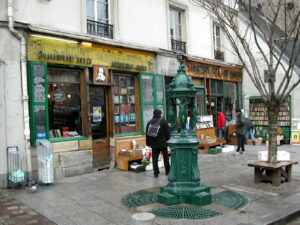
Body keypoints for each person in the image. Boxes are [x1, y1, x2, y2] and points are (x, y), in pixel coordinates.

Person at [146, 109, 170, 178]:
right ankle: (167, 171)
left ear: (154, 114)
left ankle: (156, 172)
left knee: (155, 159)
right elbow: (167, 132)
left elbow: (147, 134)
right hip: (163, 143)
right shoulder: (163, 122)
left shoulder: (149, 122)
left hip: (154, 144)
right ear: (160, 114)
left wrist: (148, 143)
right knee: (165, 158)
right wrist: (168, 141)